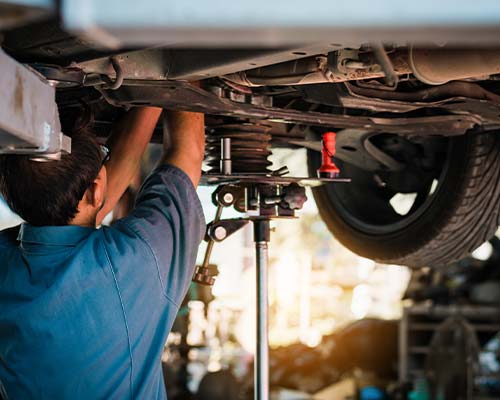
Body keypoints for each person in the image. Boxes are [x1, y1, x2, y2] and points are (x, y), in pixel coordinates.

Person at [0, 107, 206, 399]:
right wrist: (174, 72)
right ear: (96, 190)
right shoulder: (133, 259)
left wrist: (157, 96)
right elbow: (187, 150)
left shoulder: (135, 260)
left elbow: (187, 154)